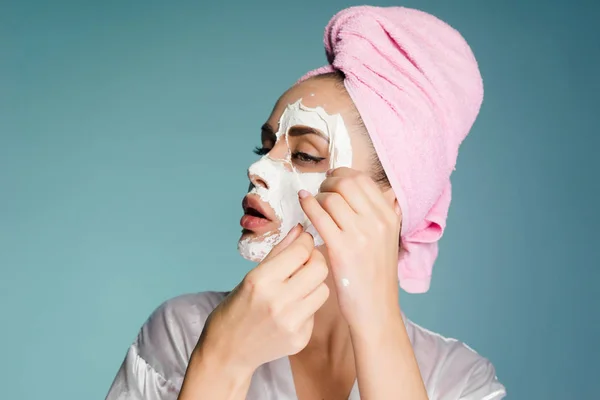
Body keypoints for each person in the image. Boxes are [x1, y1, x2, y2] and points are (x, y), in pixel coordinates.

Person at [106, 6, 506, 400]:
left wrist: (378, 323)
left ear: (391, 203)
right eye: (264, 148)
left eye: (305, 155)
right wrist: (221, 357)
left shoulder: (458, 380)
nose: (257, 169)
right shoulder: (181, 332)